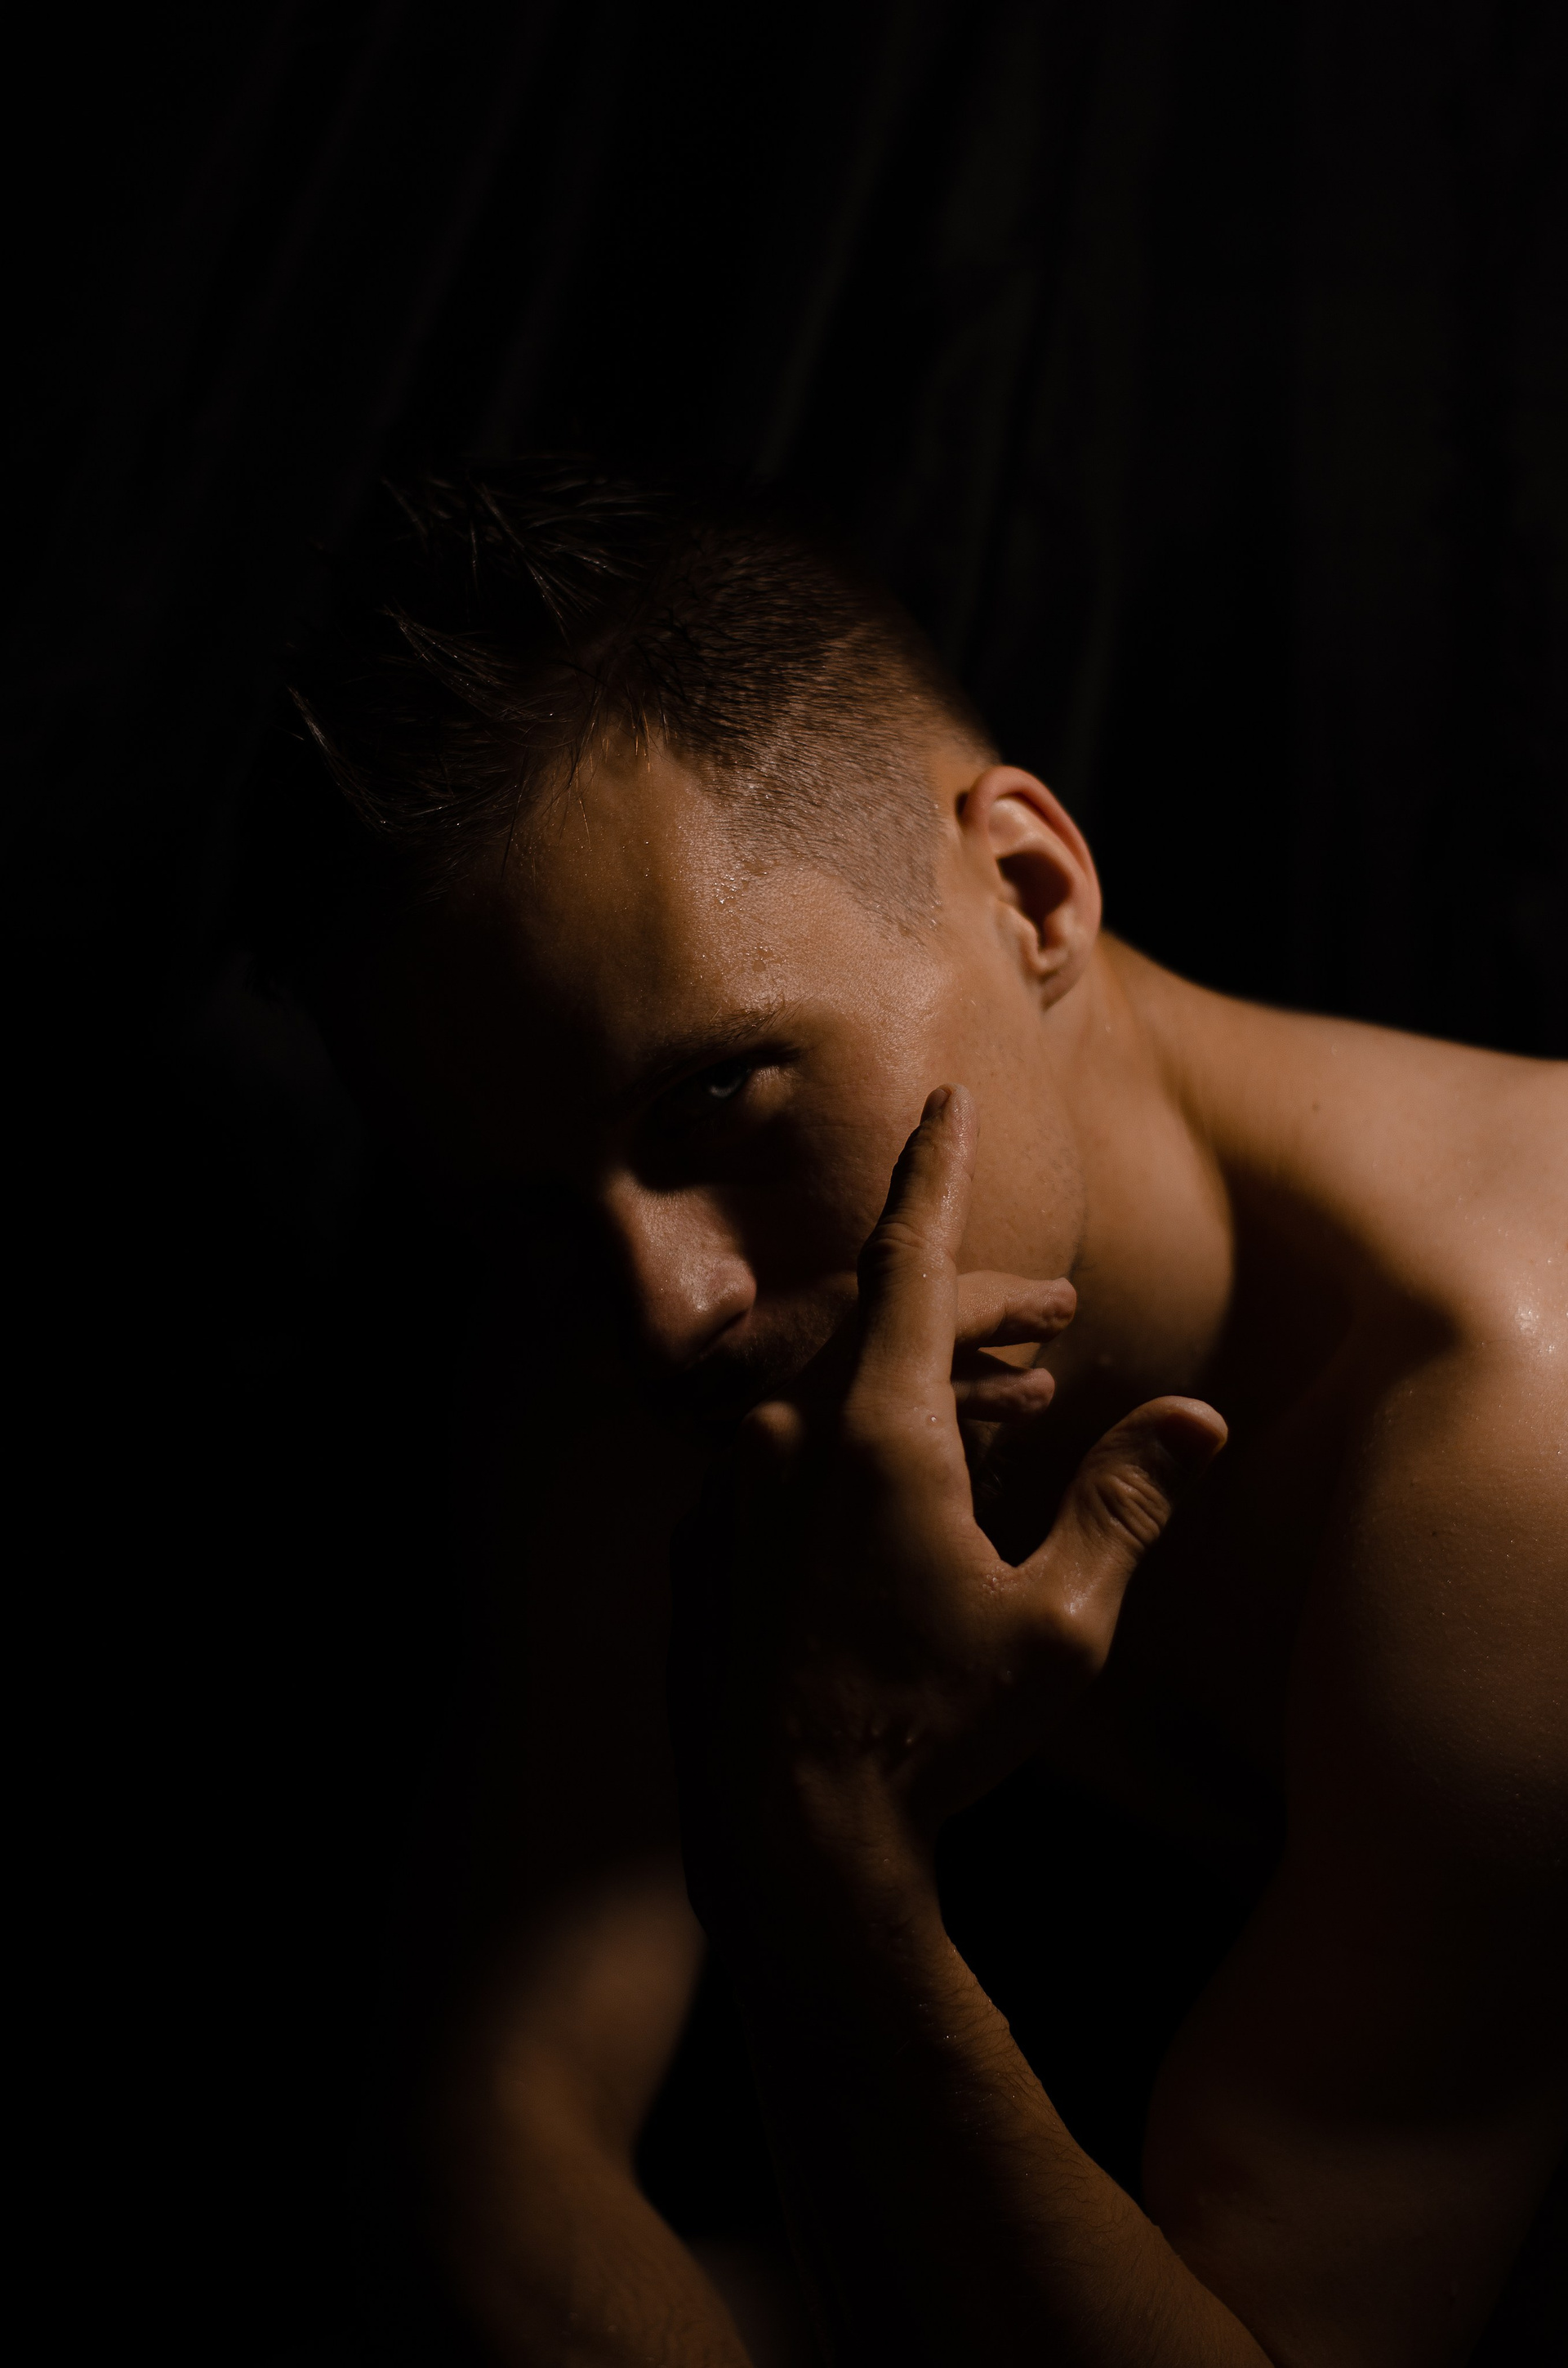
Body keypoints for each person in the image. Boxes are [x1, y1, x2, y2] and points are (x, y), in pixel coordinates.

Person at [252, 462, 1566, 2366]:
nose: (669, 1310)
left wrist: (827, 1871)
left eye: (719, 1099)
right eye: (526, 1210)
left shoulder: (1515, 1428)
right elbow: (489, 2163)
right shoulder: (648, 1307)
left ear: (1030, 891)